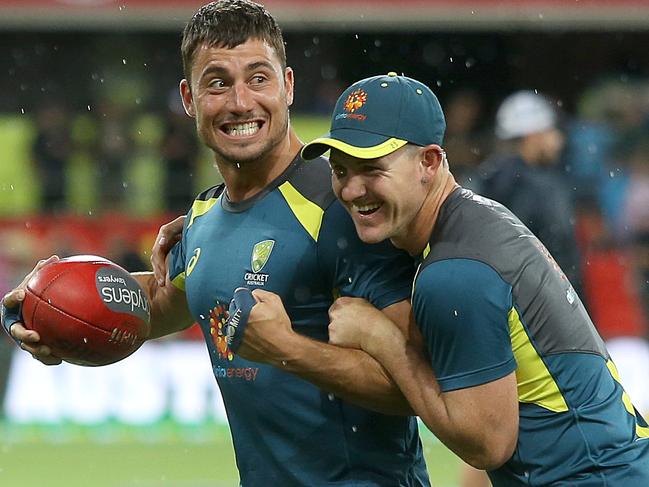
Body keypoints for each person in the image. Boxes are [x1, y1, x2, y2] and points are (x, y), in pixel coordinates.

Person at [1, 2, 431, 486]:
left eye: (258, 78)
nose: (241, 102)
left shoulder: (344, 208)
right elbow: (160, 304)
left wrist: (288, 350)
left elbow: (415, 383)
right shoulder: (203, 218)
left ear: (288, 86)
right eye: (218, 82)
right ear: (189, 97)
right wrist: (44, 307)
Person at [299, 73, 649, 485]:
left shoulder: (453, 273)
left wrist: (384, 341)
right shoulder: (480, 220)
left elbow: (487, 445)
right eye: (340, 171)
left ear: (429, 162)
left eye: (372, 169)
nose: (352, 190)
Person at [476, 91, 585, 299]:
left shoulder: (486, 177)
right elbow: (557, 249)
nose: (558, 140)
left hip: (501, 298)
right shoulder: (540, 185)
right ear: (532, 135)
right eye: (552, 131)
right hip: (543, 300)